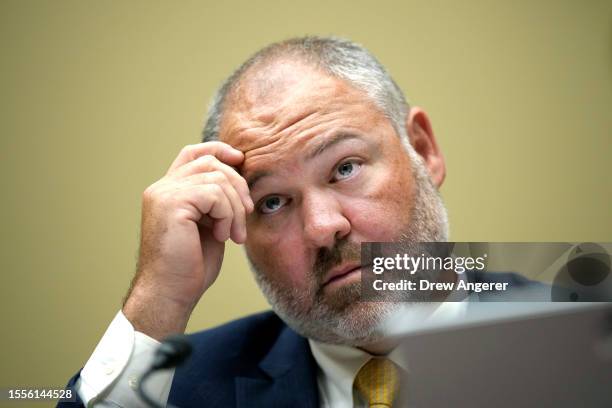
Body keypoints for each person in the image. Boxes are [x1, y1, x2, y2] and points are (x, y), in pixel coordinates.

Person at [59, 36, 526, 408]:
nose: (323, 228)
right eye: (273, 202)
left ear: (423, 150)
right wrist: (157, 299)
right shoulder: (175, 389)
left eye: (345, 169)